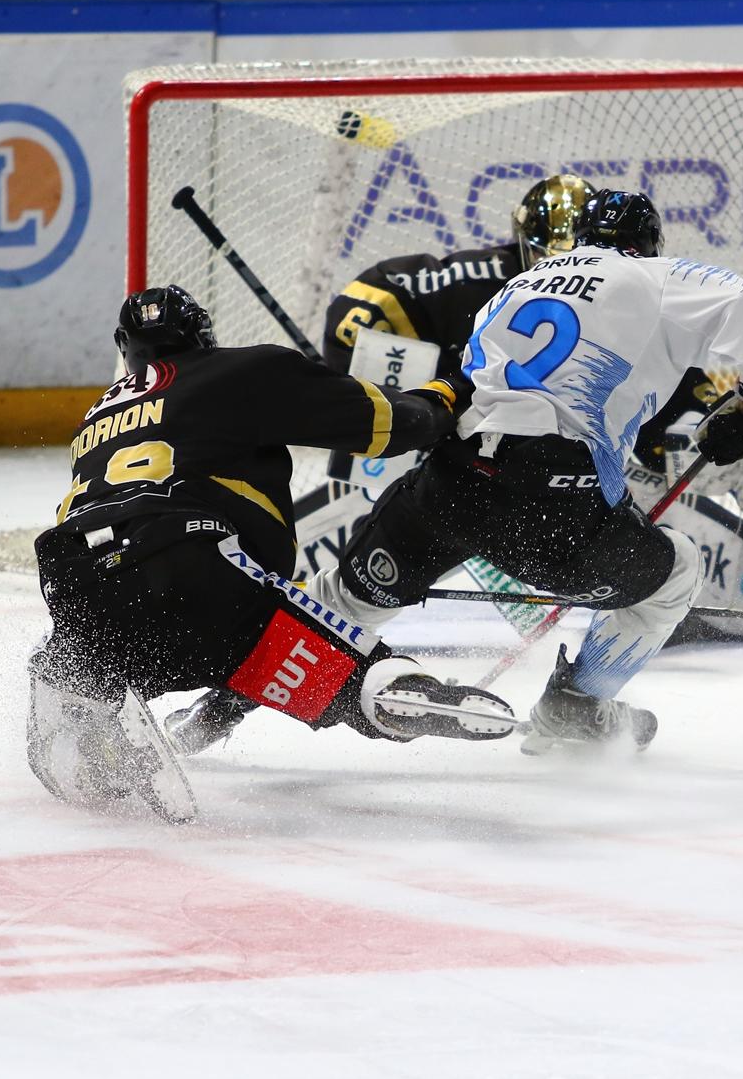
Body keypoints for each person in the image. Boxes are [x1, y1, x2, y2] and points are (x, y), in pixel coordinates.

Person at [311, 188, 743, 753]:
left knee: (340, 603)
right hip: (555, 510)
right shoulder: (657, 278)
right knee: (678, 571)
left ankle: (242, 683)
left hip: (450, 483)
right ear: (648, 245)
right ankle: (577, 703)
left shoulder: (515, 286)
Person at [27, 284, 515, 823]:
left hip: (76, 585)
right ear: (202, 335)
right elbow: (398, 426)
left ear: (126, 347)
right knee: (335, 675)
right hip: (194, 572)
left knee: (92, 661)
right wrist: (452, 388)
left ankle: (85, 725)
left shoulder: (93, 420)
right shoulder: (244, 371)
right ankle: (390, 690)